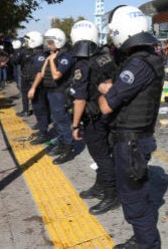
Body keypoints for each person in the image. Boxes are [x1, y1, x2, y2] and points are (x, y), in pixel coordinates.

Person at [97, 5, 164, 249]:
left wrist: (105, 90)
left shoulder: (137, 65)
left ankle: (147, 244)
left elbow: (106, 106)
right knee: (139, 195)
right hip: (135, 139)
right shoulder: (148, 59)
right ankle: (142, 238)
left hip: (131, 141)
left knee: (134, 200)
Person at [68, 20, 120, 215]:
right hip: (109, 112)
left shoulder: (83, 63)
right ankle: (100, 185)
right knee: (106, 152)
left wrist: (74, 126)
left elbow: (80, 99)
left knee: (101, 155)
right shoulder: (105, 57)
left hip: (94, 116)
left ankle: (111, 193)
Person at [28, 28, 75, 164]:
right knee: (56, 119)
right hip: (51, 92)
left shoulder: (66, 56)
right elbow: (42, 72)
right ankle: (61, 143)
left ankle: (68, 147)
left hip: (60, 93)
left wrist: (52, 61)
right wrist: (49, 59)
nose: (48, 46)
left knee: (62, 120)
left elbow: (56, 75)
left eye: (50, 43)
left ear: (58, 41)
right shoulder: (53, 55)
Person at [22, 32, 51, 131]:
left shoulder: (39, 56)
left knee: (40, 108)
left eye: (27, 41)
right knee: (38, 108)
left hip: (39, 86)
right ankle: (41, 125)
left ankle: (43, 131)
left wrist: (33, 88)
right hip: (35, 85)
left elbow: (40, 73)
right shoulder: (36, 54)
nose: (26, 43)